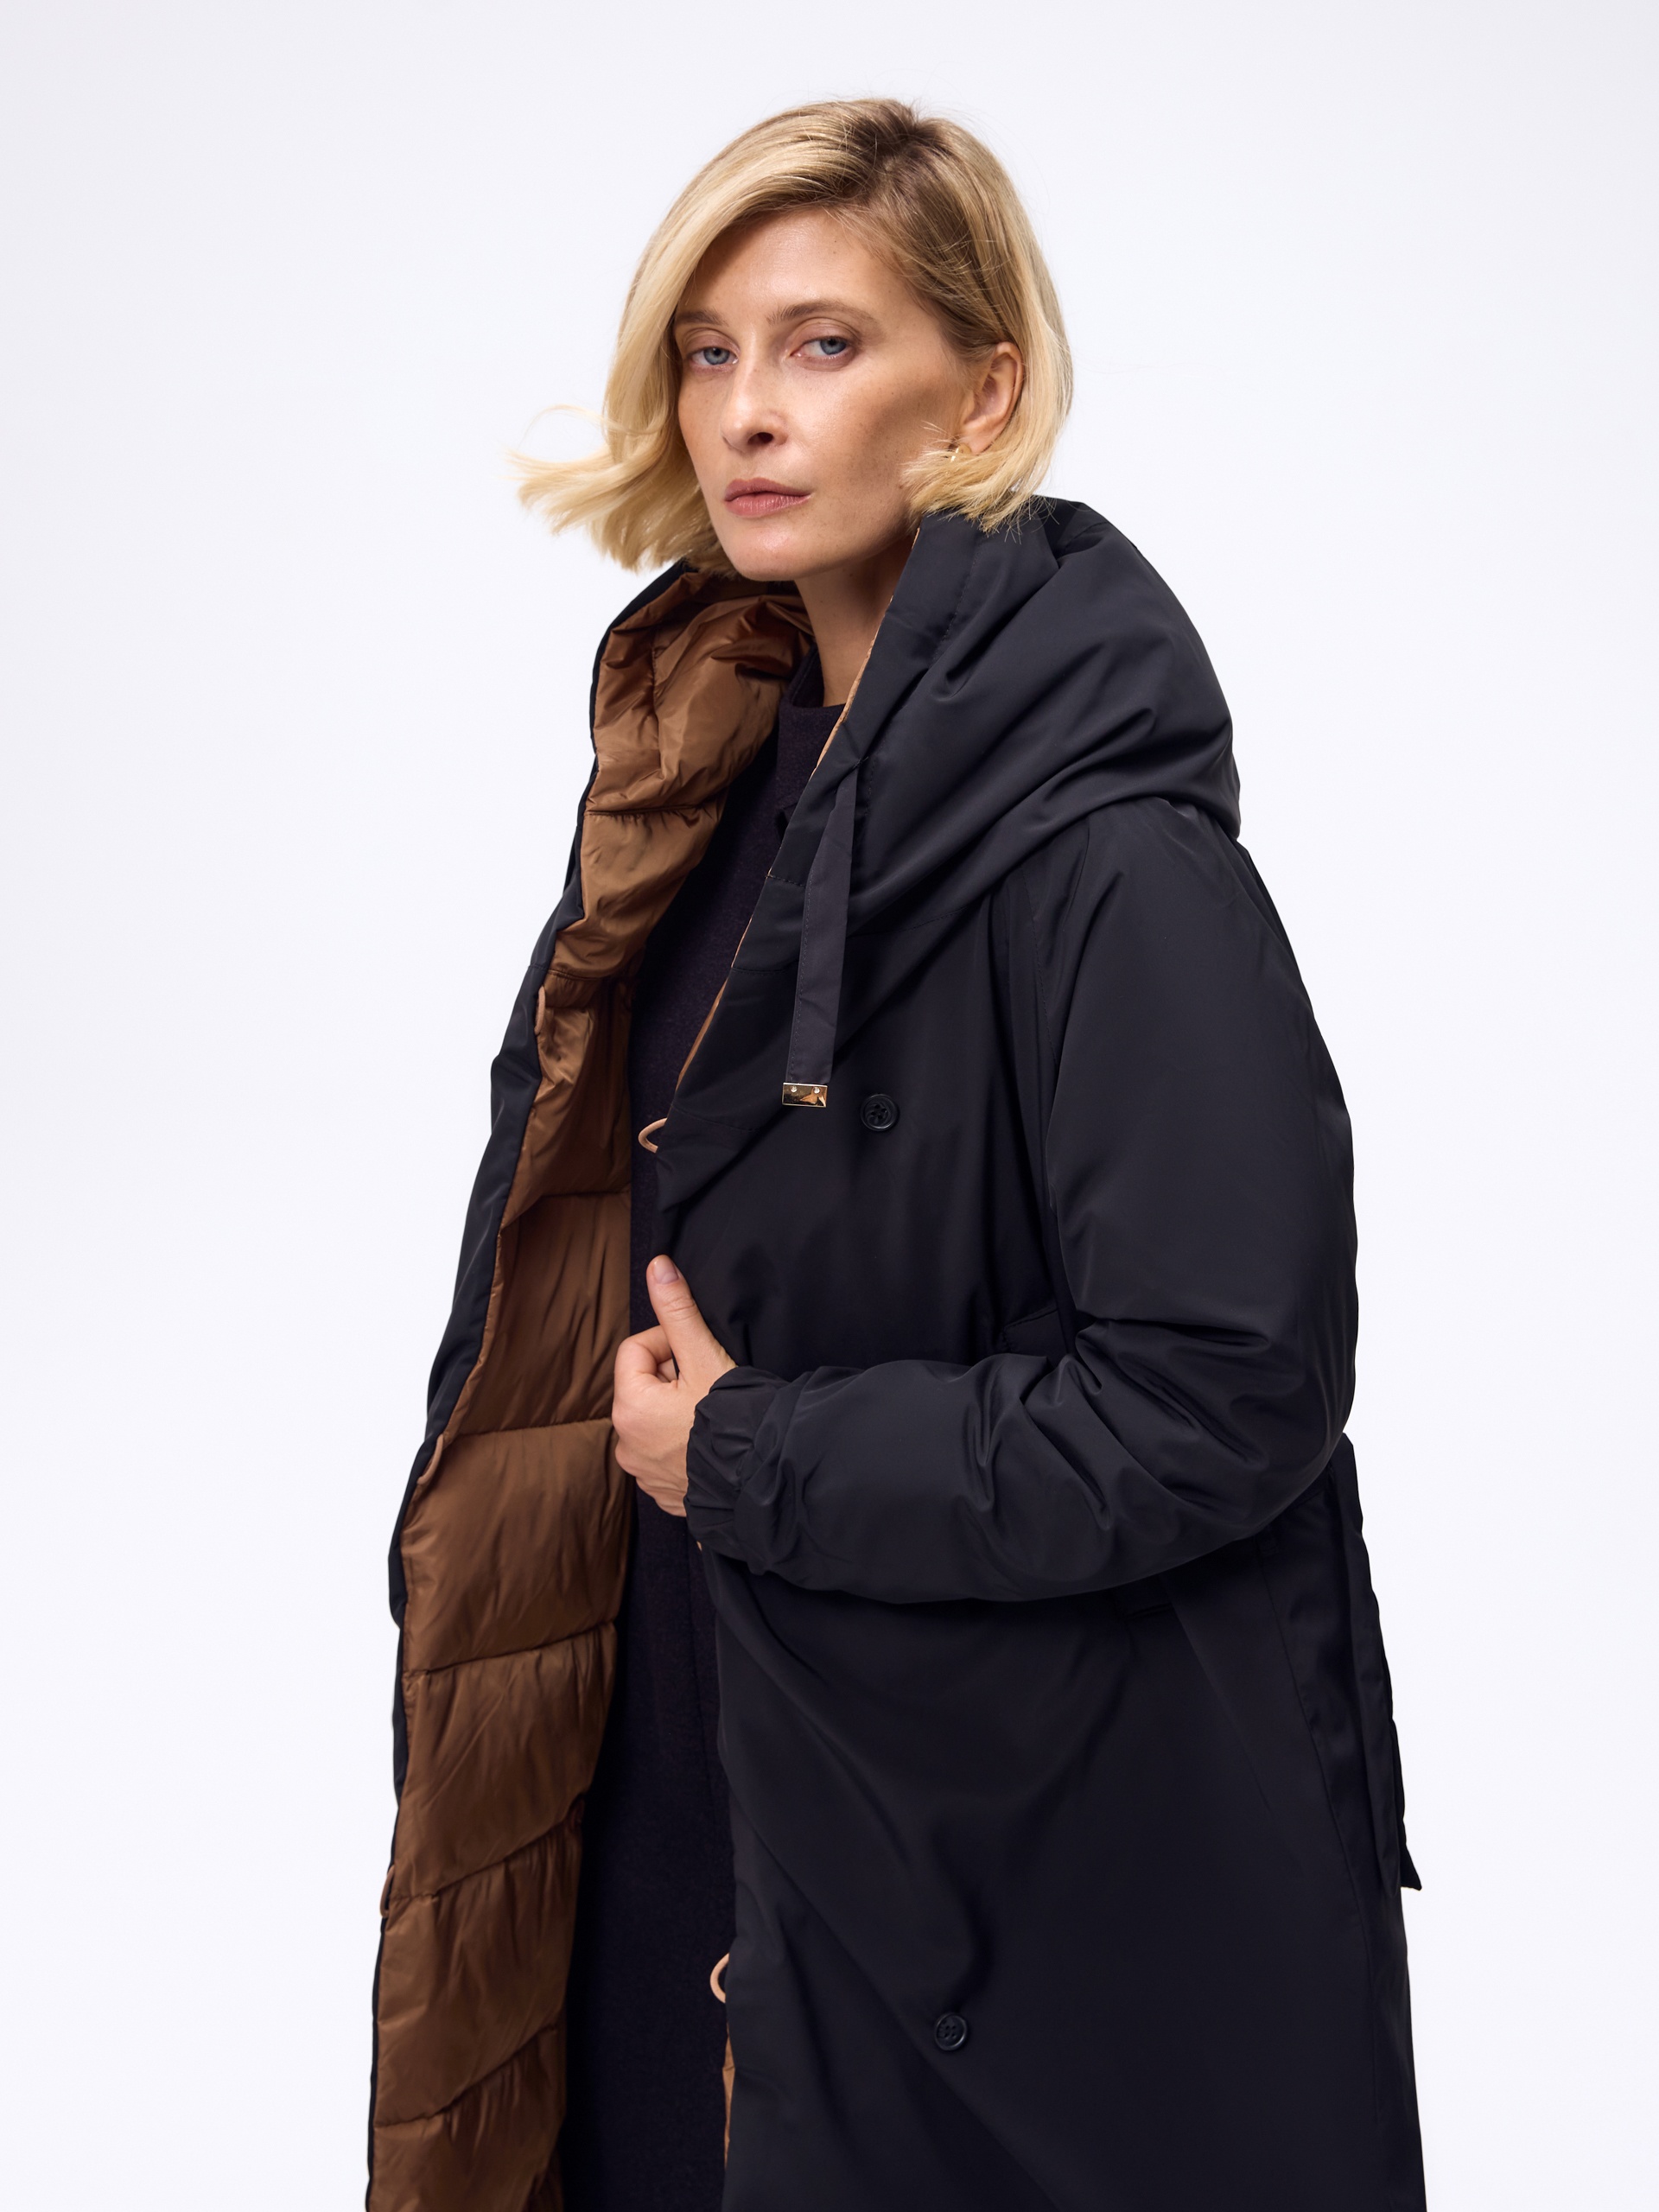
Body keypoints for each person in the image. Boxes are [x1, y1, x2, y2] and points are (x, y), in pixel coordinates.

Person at [366, 98, 1427, 2212]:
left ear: (986, 394)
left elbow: (1228, 1389)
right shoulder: (693, 815)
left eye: (825, 344)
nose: (747, 411)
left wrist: (753, 1454)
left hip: (991, 1895)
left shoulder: (1116, 868)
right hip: (680, 1816)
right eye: (709, 350)